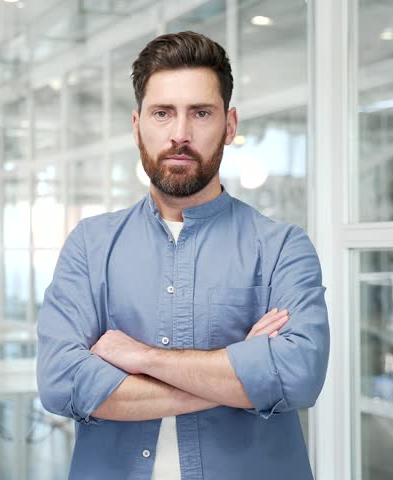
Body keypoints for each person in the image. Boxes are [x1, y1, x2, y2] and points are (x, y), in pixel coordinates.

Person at [36, 31, 329, 480]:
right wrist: (240, 369)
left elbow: (297, 375)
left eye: (201, 113)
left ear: (229, 125)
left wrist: (142, 358)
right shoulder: (90, 246)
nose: (180, 134)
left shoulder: (282, 248)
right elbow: (60, 382)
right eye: (162, 113)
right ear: (137, 125)